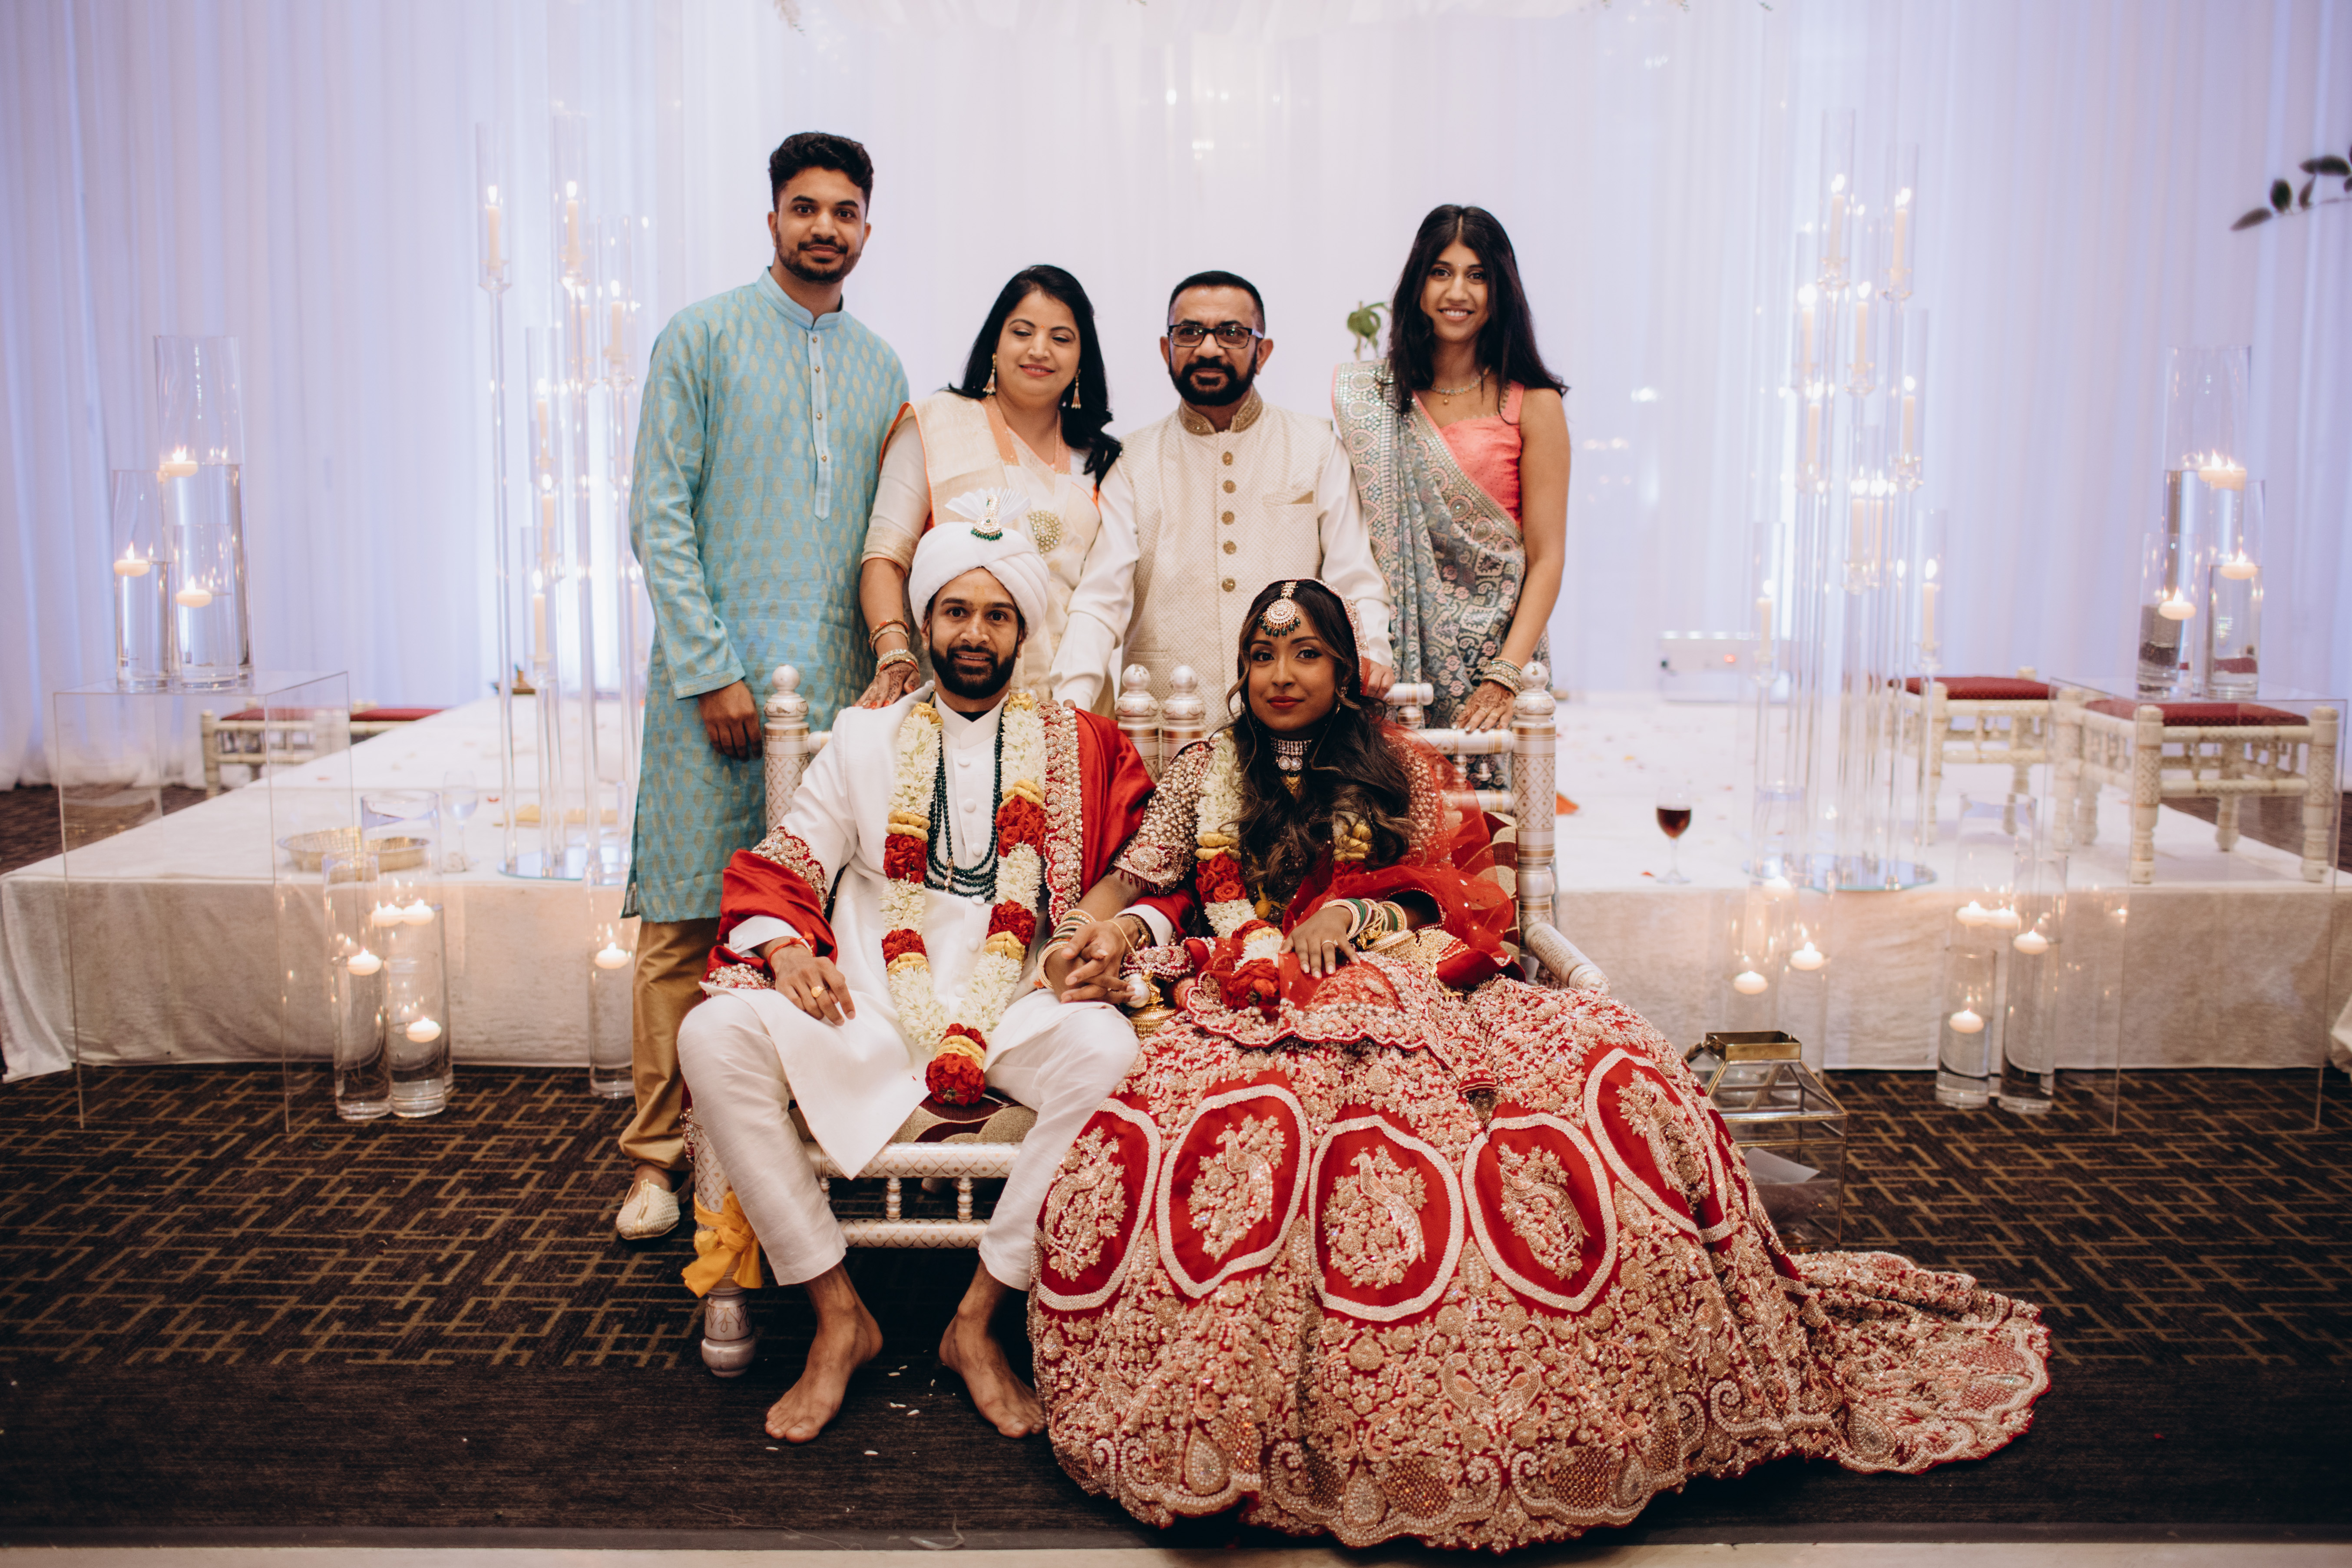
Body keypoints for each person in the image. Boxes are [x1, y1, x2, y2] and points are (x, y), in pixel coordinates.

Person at [1030, 579, 2051, 1551]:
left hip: (1415, 980)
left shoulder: (1390, 764)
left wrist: (1360, 914)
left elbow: (1460, 889)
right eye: (1262, 653)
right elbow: (1135, 878)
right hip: (1253, 994)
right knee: (1254, 1136)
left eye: (1305, 653)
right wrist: (1087, 932)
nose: (1281, 673)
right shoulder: (1208, 766)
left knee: (1608, 1066)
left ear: (1341, 670)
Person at [676, 522, 1184, 1445]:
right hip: (870, 1005)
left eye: (997, 615)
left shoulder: (1082, 744)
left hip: (1020, 1004)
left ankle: (977, 1318)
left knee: (1110, 1053)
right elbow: (785, 859)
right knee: (712, 1036)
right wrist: (787, 950)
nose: (975, 633)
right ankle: (838, 1311)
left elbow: (1153, 876)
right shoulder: (864, 740)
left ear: (1023, 631)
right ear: (926, 622)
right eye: (956, 611)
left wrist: (1112, 939)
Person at [616, 132, 910, 1243]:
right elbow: (659, 516)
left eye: (844, 211)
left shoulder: (880, 369)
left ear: (866, 227)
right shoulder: (698, 337)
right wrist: (711, 670)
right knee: (687, 914)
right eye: (804, 207)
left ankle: (791, 1132)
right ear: (773, 217)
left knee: (815, 915)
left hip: (835, 697)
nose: (823, 227)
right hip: (714, 690)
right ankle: (657, 1159)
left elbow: (885, 539)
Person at [1048, 270, 1394, 715]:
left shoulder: (1317, 447)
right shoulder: (1130, 461)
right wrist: (1069, 706)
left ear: (1262, 352)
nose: (1209, 348)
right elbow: (1101, 599)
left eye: (1231, 333)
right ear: (1166, 349)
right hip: (1167, 723)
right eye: (1189, 332)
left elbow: (1355, 578)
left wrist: (1372, 657)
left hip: (1297, 721)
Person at [1333, 206, 1569, 730]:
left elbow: (1547, 558)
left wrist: (1505, 675)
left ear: (1501, 290)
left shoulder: (1535, 403)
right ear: (1418, 283)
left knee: (1493, 786)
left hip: (1499, 663)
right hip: (1389, 661)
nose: (1457, 291)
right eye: (1441, 272)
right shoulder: (1372, 400)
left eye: (1477, 275)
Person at [857, 265, 1120, 709]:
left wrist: (1075, 699)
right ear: (995, 343)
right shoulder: (934, 426)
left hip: (1075, 705)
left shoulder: (1100, 460)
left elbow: (1104, 595)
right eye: (1022, 332)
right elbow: (885, 557)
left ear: (1082, 358)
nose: (1039, 350)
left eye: (1061, 338)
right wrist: (895, 656)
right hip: (956, 698)